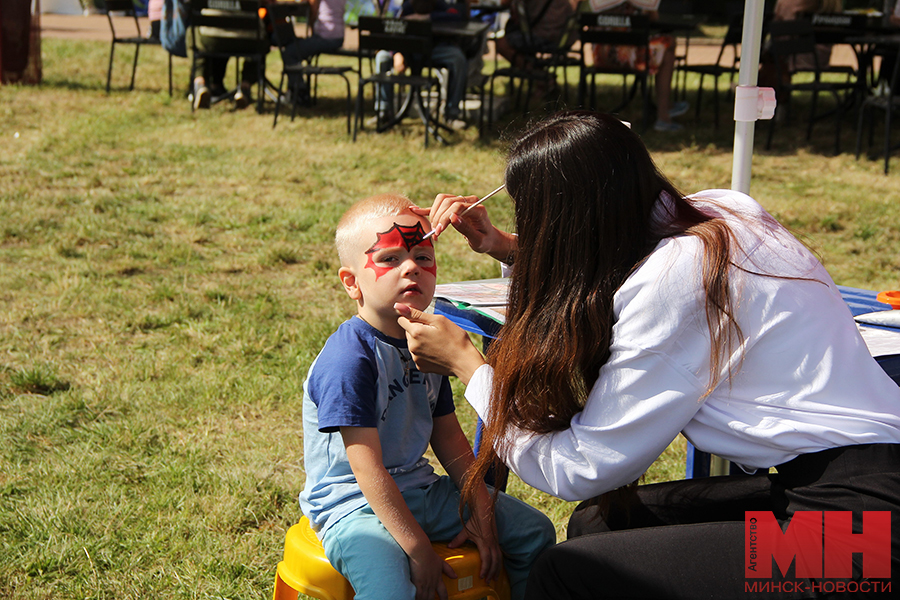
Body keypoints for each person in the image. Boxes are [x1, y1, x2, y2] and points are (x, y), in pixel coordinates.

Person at [396, 111, 900, 598]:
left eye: (540, 219)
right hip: (848, 498)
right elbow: (616, 257)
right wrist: (510, 247)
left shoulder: (681, 282)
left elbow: (580, 467)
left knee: (568, 573)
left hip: (859, 547)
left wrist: (469, 366)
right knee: (601, 523)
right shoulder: (723, 210)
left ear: (572, 220)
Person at [299, 193, 555, 600]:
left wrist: (483, 511)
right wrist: (418, 550)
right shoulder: (349, 358)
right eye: (388, 259)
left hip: (422, 492)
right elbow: (367, 471)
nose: (410, 269)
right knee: (390, 590)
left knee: (533, 533)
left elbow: (451, 441)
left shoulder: (429, 342)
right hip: (355, 508)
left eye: (422, 256)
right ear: (352, 282)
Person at [587, 0, 689, 131]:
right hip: (629, 58)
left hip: (601, 57)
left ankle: (666, 108)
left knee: (663, 45)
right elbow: (653, 18)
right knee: (668, 43)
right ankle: (664, 114)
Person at [372, 0, 473, 130]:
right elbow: (393, 29)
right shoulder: (406, 7)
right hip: (407, 51)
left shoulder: (440, 5)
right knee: (382, 57)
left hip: (433, 52)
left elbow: (457, 16)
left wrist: (427, 18)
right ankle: (383, 110)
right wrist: (397, 53)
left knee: (458, 58)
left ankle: (452, 114)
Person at [279, 0, 348, 105]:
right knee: (295, 46)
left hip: (326, 37)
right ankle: (295, 91)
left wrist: (312, 25)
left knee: (290, 51)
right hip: (338, 36)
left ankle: (300, 93)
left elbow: (312, 9)